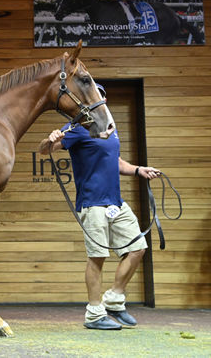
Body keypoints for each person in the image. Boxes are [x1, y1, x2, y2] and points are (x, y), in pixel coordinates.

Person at [38, 83, 161, 330]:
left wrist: (138, 170)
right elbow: (45, 151)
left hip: (116, 202)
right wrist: (49, 140)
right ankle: (94, 314)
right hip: (92, 203)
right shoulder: (75, 129)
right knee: (97, 257)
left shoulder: (109, 129)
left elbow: (114, 160)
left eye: (102, 97)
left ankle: (114, 300)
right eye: (96, 97)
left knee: (137, 248)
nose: (100, 101)